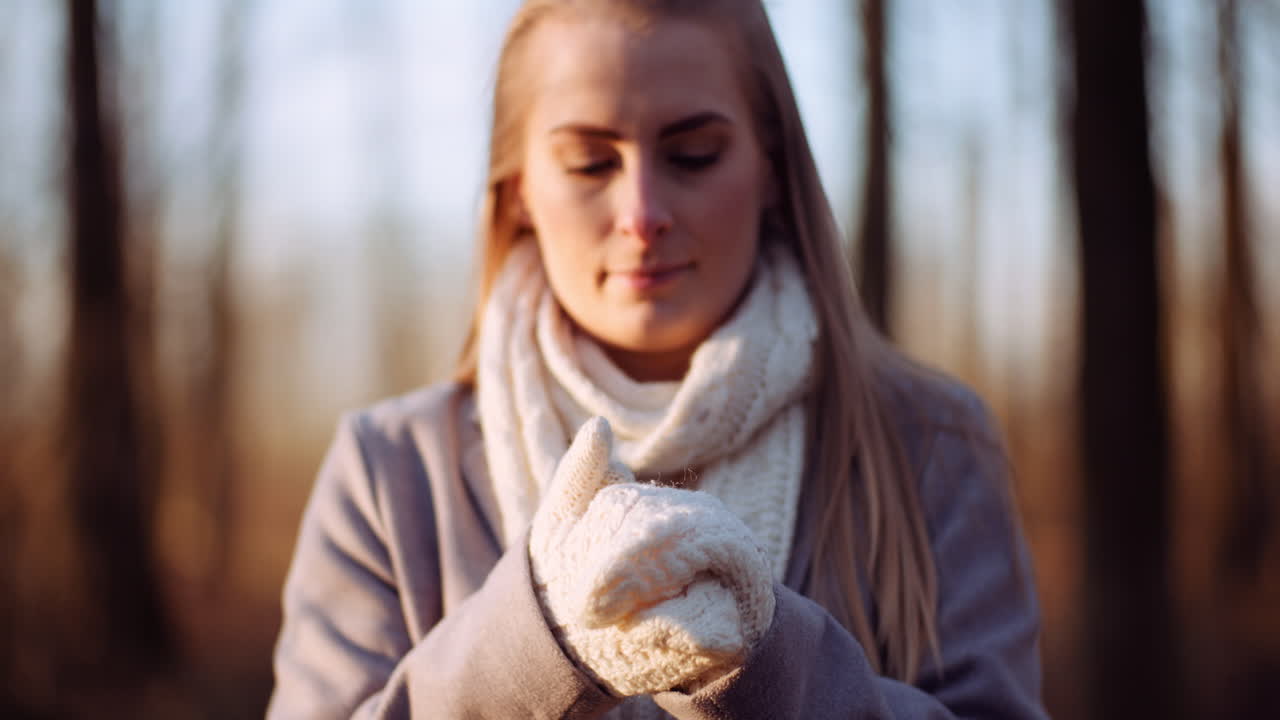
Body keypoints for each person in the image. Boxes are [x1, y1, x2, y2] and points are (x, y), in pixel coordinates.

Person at [266, 1, 1050, 718]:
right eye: (590, 164)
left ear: (772, 169)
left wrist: (763, 662)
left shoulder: (931, 445)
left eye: (695, 154)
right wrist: (541, 635)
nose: (643, 215)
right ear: (517, 194)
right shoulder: (388, 474)